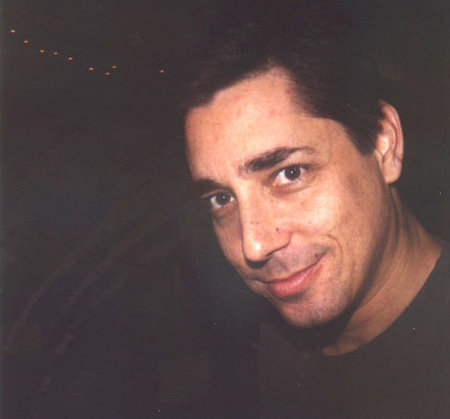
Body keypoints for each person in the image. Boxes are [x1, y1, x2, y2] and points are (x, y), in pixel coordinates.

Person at [183, 3, 449, 417]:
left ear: (384, 144)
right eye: (221, 198)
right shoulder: (274, 339)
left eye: (289, 173)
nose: (253, 245)